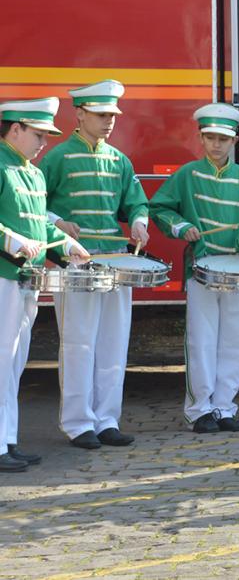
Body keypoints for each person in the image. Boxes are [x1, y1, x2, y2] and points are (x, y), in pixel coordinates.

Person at [41, 80, 150, 449]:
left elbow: (136, 202)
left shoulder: (119, 159)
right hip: (75, 264)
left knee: (113, 343)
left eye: (113, 116)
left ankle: (107, 419)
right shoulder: (56, 157)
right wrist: (57, 223)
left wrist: (139, 223)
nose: (109, 122)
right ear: (81, 113)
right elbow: (36, 206)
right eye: (102, 115)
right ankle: (77, 423)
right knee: (78, 343)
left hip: (115, 264)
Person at [149, 104, 239, 434]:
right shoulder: (187, 174)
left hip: (238, 270)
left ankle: (225, 406)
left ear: (234, 141)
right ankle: (200, 409)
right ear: (200, 138)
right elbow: (161, 207)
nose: (216, 145)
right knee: (201, 339)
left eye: (223, 139)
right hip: (202, 268)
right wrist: (183, 228)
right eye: (210, 138)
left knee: (236, 341)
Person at [0, 98, 88, 471]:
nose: (43, 143)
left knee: (15, 363)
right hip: (3, 277)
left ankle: (6, 439)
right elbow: (15, 232)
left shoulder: (33, 173)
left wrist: (66, 244)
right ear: (15, 129)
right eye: (38, 135)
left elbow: (39, 225)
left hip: (26, 279)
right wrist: (12, 241)